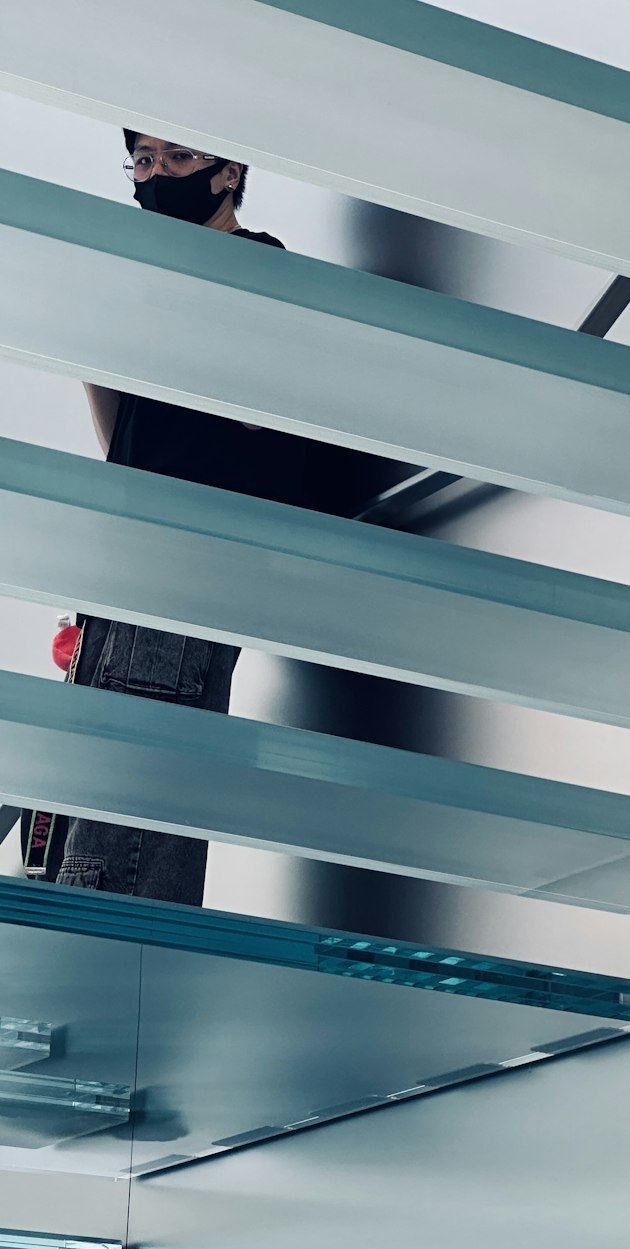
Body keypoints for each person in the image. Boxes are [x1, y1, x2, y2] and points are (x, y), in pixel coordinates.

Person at [21, 133, 324, 905]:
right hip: (129, 568)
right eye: (143, 161)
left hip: (188, 571)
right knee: (82, 825)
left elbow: (268, 420)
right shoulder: (152, 282)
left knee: (120, 846)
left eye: (177, 159)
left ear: (231, 172)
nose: (154, 176)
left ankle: (122, 1000)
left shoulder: (255, 264)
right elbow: (128, 436)